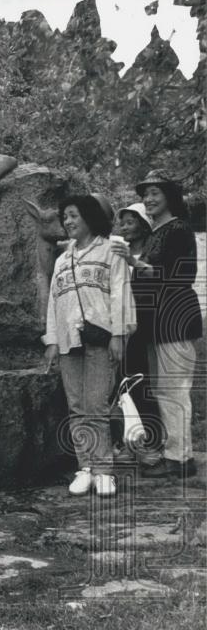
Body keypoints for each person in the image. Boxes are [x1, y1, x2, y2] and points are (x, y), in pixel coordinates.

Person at [43, 195, 135, 497]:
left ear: (89, 217)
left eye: (72, 215)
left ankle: (104, 470)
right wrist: (53, 341)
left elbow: (120, 294)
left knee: (96, 405)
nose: (67, 222)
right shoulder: (62, 259)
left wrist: (119, 335)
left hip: (101, 338)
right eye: (64, 216)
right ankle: (84, 467)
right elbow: (54, 303)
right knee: (76, 407)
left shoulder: (111, 250)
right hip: (70, 341)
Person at [112, 171, 203, 479]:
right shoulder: (154, 233)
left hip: (176, 319)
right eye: (146, 194)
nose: (148, 199)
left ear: (169, 197)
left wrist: (135, 263)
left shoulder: (179, 228)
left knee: (175, 390)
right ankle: (174, 454)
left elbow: (182, 276)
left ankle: (180, 459)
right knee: (164, 391)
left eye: (155, 193)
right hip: (154, 323)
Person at [111, 202, 161, 463]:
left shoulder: (152, 254)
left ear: (143, 226)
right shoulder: (118, 252)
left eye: (130, 222)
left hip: (145, 327)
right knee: (121, 386)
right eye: (123, 222)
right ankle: (125, 441)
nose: (124, 228)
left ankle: (152, 442)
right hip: (121, 327)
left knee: (143, 385)